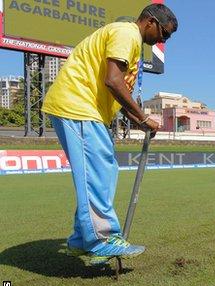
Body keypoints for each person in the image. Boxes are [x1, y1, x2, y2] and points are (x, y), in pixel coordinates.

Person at [42, 4, 178, 265]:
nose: (163, 40)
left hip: (86, 109)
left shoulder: (133, 44)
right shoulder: (127, 34)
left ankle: (81, 240)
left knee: (104, 170)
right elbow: (113, 81)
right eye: (164, 33)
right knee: (98, 171)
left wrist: (138, 120)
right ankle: (101, 239)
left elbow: (118, 90)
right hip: (77, 105)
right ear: (150, 22)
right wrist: (142, 116)